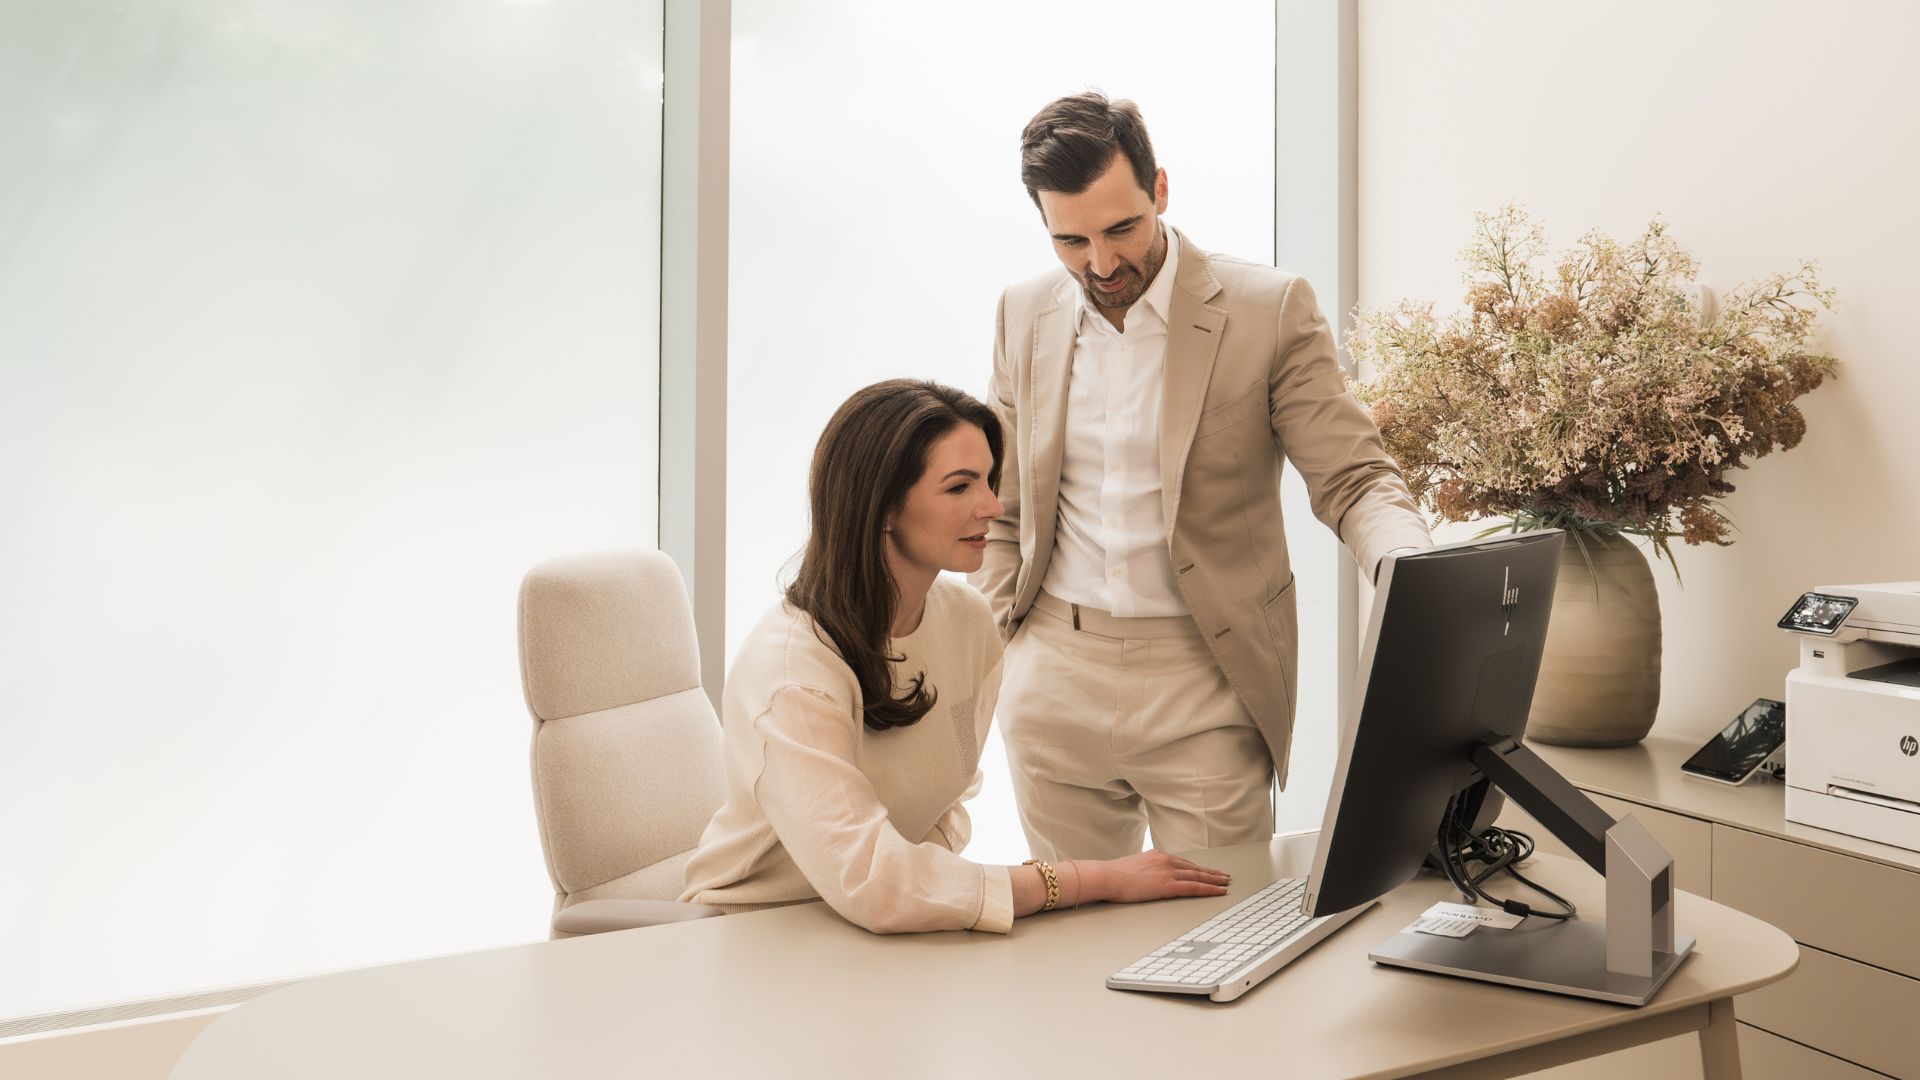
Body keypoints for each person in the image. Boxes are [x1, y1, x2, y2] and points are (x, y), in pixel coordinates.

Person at [972, 92, 1432, 864]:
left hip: (1204, 679)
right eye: (1071, 240)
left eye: (1122, 228)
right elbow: (999, 506)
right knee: (1069, 960)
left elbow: (1353, 477)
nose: (1102, 262)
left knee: (1222, 946)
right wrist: (997, 661)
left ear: (1159, 189)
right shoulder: (1023, 313)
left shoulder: (1268, 309)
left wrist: (1412, 571)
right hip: (1053, 677)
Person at [680, 378, 1231, 934]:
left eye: (989, 481)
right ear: (883, 508)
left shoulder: (967, 624)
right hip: (751, 938)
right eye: (959, 487)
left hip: (872, 934)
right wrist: (1088, 881)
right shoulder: (792, 676)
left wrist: (934, 892)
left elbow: (946, 803)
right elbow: (874, 881)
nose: (992, 505)